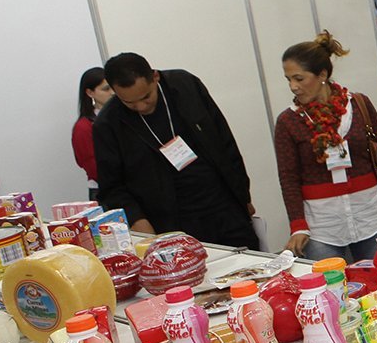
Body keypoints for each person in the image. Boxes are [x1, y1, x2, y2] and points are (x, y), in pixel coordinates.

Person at [93, 53, 259, 248]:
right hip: (170, 222)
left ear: (155, 77)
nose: (140, 106)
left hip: (224, 206)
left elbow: (224, 140)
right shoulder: (108, 124)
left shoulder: (185, 86)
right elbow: (111, 187)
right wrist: (137, 220)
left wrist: (242, 194)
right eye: (129, 102)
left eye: (146, 97)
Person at [273, 32, 377, 262]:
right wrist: (298, 225)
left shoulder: (359, 104)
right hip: (323, 227)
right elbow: (288, 178)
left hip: (372, 216)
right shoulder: (288, 121)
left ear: (322, 74)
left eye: (299, 78)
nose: (293, 87)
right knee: (334, 293)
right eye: (288, 80)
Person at [72, 67, 113, 199]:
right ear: (90, 93)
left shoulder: (125, 116)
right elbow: (93, 167)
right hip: (106, 191)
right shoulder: (83, 127)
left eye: (113, 87)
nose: (112, 93)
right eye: (106, 89)